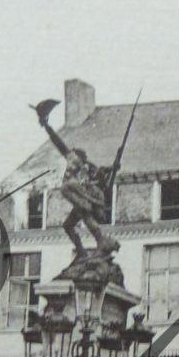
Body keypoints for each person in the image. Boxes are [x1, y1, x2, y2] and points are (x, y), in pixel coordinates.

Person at [35, 98, 125, 258]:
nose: (70, 157)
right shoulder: (86, 166)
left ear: (79, 157)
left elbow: (58, 142)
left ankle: (99, 238)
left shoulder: (78, 162)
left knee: (67, 190)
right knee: (68, 225)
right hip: (83, 197)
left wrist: (113, 168)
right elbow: (102, 171)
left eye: (74, 154)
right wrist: (113, 168)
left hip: (83, 196)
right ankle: (85, 250)